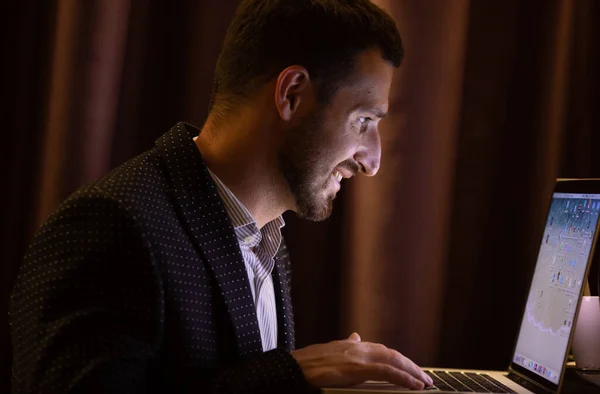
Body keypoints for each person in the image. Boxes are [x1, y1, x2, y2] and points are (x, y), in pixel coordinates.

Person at [10, 0, 434, 392]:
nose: (373, 161)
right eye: (363, 120)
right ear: (292, 95)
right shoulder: (111, 226)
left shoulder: (267, 239)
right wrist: (287, 375)